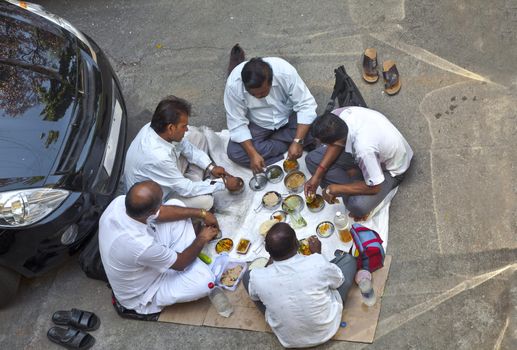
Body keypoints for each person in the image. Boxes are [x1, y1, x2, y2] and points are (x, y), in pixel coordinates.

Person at [99, 180, 220, 315]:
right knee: (206, 282)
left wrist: (202, 213)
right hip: (146, 291)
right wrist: (202, 238)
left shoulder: (120, 202)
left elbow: (161, 212)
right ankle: (183, 256)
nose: (162, 206)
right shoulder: (140, 244)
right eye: (159, 204)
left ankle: (176, 256)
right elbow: (181, 264)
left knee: (176, 205)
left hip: (146, 256)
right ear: (151, 212)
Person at [243, 222, 356, 348]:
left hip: (289, 340)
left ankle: (276, 317)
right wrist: (317, 255)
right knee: (348, 261)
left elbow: (255, 292)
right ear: (297, 244)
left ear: (267, 250)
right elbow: (338, 281)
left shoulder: (258, 277)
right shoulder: (316, 262)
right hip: (327, 328)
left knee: (247, 278)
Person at [124, 95, 242, 210]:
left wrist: (210, 167)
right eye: (183, 126)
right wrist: (224, 183)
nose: (186, 129)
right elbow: (186, 189)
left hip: (169, 173)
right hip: (161, 196)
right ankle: (199, 183)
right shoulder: (158, 157)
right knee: (206, 201)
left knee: (197, 136)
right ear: (171, 128)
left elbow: (185, 146)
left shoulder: (155, 128)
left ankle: (199, 181)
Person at [305, 106, 413, 220]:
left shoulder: (364, 150)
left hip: (393, 169)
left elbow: (375, 188)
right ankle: (359, 178)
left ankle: (360, 180)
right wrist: (317, 176)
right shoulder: (337, 117)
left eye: (326, 144)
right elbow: (336, 144)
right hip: (372, 153)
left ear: (335, 142)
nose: (325, 147)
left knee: (357, 205)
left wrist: (334, 189)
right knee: (312, 159)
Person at [224, 56, 318, 173]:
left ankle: (285, 143)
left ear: (270, 81)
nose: (258, 97)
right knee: (235, 152)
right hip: (260, 124)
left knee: (318, 127)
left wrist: (298, 140)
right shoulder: (233, 86)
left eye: (263, 93)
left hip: (288, 117)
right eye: (253, 94)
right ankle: (287, 145)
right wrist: (253, 154)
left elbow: (306, 105)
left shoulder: (285, 72)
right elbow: (237, 122)